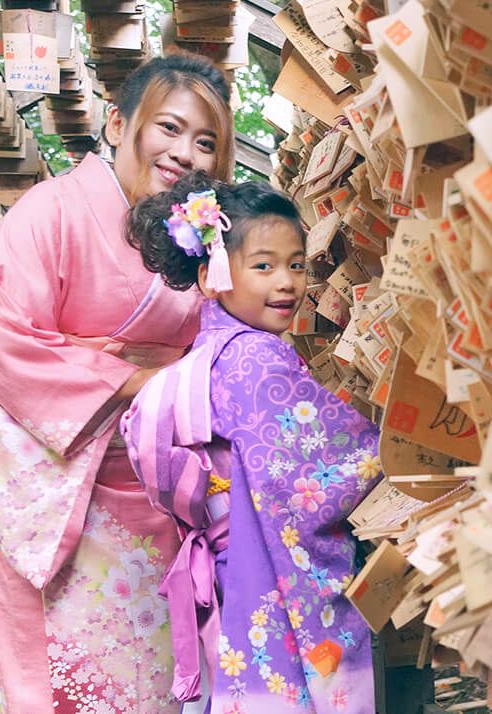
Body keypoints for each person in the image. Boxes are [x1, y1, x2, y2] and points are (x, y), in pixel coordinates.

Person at [0, 54, 235, 713]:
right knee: (62, 672)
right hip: (59, 479)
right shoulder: (50, 214)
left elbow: (223, 342)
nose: (184, 154)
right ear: (117, 123)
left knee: (155, 674)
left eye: (206, 142)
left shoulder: (198, 240)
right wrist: (140, 380)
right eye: (167, 128)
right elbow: (0, 336)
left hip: (157, 482)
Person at [121, 175, 383, 713]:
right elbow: (313, 479)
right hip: (262, 564)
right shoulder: (257, 359)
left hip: (228, 571)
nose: (285, 282)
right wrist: (392, 449)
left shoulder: (207, 354)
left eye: (296, 263)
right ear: (211, 274)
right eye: (263, 266)